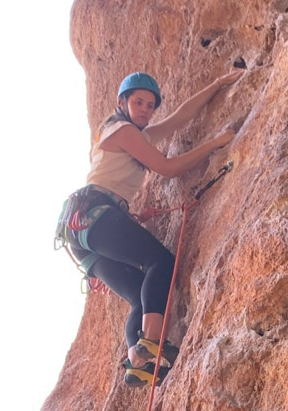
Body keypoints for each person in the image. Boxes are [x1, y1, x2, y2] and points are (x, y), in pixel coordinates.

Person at [59, 69, 242, 386]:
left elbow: (177, 119)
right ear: (123, 102)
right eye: (139, 102)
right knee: (162, 262)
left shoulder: (132, 134)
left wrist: (216, 83)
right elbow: (168, 169)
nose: (145, 109)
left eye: (150, 105)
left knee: (138, 295)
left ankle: (138, 363)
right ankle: (151, 342)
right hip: (94, 215)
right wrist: (215, 143)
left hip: (82, 230)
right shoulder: (123, 130)